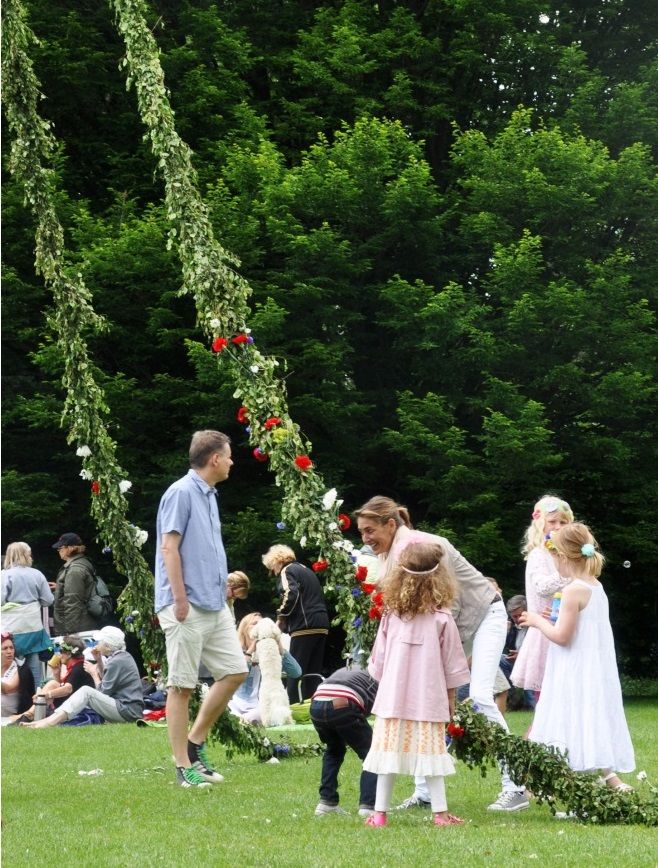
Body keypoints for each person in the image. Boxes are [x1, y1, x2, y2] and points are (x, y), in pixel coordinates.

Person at [355, 495, 529, 812]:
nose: (366, 539)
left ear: (390, 524)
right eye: (362, 532)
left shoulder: (424, 545)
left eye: (370, 530)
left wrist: (446, 662)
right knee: (423, 699)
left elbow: (450, 604)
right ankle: (424, 794)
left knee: (480, 696)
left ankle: (515, 786)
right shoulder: (391, 554)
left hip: (483, 615)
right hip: (448, 626)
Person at [155, 430, 247, 788]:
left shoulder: (209, 494)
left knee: (235, 671)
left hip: (213, 603)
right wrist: (178, 599)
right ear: (214, 459)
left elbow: (204, 549)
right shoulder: (180, 493)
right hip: (185, 605)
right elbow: (169, 549)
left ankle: (194, 745)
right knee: (182, 686)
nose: (231, 461)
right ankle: (182, 769)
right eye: (228, 455)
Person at [520, 523, 635, 792]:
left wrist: (537, 620)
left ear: (562, 556)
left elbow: (562, 637)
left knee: (567, 718)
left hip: (573, 669)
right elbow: (580, 628)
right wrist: (553, 617)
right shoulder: (594, 585)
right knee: (585, 718)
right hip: (590, 668)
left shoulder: (574, 590)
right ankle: (587, 778)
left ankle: (549, 781)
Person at [362, 542, 470, 828]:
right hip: (428, 700)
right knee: (432, 758)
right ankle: (440, 815)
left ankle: (380, 814)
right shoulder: (442, 619)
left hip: (393, 700)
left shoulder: (391, 616)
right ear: (439, 577)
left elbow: (378, 663)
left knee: (387, 758)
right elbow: (453, 666)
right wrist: (451, 700)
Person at [511, 496, 573, 704]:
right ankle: (541, 735)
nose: (558, 527)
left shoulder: (568, 555)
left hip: (565, 625)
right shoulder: (539, 554)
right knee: (548, 696)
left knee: (566, 692)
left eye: (563, 522)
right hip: (546, 629)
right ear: (541, 524)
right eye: (552, 521)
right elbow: (542, 587)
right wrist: (569, 574)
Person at [22, 626, 143, 728]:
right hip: (129, 709)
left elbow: (103, 692)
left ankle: (49, 722)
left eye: (100, 642)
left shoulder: (117, 661)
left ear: (108, 646)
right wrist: (99, 661)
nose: (97, 644)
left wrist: (93, 673)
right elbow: (107, 682)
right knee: (86, 691)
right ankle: (47, 720)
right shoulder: (122, 657)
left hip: (127, 711)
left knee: (86, 691)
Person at [262, 544, 330, 702]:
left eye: (271, 567)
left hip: (304, 625)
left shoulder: (288, 570)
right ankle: (314, 705)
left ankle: (292, 704)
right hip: (321, 624)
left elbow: (291, 593)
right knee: (313, 670)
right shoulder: (306, 570)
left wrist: (281, 617)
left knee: (296, 670)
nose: (273, 572)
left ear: (276, 561)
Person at [311, 667, 379, 818]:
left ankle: (326, 803)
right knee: (372, 755)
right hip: (344, 702)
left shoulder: (352, 670)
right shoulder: (381, 678)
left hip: (316, 703)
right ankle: (368, 805)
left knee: (334, 750)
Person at [228, 612, 302, 724]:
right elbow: (236, 675)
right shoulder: (236, 651)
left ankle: (241, 722)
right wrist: (250, 651)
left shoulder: (270, 654)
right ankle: (240, 721)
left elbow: (296, 672)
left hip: (259, 706)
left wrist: (279, 646)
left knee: (262, 714)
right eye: (255, 623)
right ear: (244, 630)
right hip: (235, 703)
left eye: (262, 623)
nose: (260, 626)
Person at [1, 541, 54, 689]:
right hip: (33, 627)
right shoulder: (37, 574)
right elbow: (48, 600)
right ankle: (38, 702)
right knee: (34, 667)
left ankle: (13, 700)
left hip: (11, 629)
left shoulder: (4, 576)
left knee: (10, 665)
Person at [51, 533, 99, 635]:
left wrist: (70, 632)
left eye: (61, 547)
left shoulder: (74, 570)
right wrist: (60, 587)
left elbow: (73, 601)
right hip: (84, 623)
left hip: (78, 629)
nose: (58, 550)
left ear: (71, 548)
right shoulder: (82, 562)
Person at [1, 633, 35, 725]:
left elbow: (7, 689)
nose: (9, 651)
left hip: (11, 717)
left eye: (11, 648)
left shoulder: (21, 668)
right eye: (5, 648)